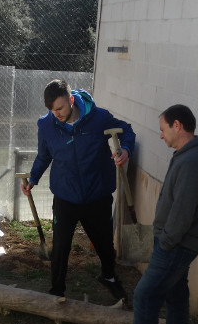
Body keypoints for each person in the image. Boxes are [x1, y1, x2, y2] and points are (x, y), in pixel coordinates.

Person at [114, 104, 198, 324]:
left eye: (163, 129)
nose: (161, 136)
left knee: (145, 296)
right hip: (180, 242)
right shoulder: (188, 155)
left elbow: (182, 213)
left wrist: (166, 243)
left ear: (177, 126)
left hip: (177, 244)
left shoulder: (192, 162)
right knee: (176, 291)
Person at [21, 79, 135, 300]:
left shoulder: (99, 118)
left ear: (71, 100)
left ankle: (109, 276)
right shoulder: (46, 125)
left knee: (103, 243)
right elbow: (44, 155)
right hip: (65, 196)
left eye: (60, 108)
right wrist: (33, 178)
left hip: (97, 194)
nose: (57, 114)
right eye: (52, 110)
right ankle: (57, 291)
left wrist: (126, 150)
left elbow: (127, 131)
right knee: (61, 246)